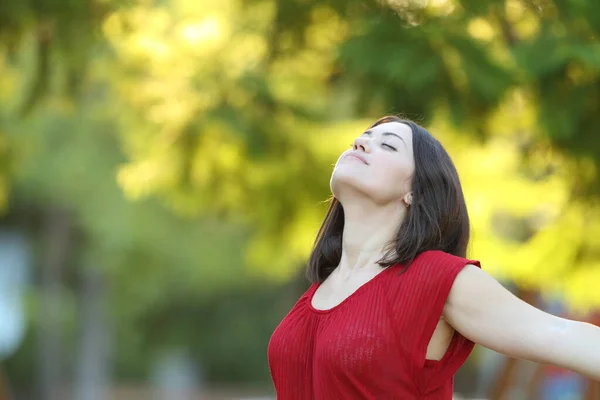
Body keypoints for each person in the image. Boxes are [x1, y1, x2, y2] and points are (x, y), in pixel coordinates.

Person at [267, 115, 600, 399]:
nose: (360, 143)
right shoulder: (319, 290)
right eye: (362, 138)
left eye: (388, 145)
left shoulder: (436, 278)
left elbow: (560, 335)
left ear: (415, 190)